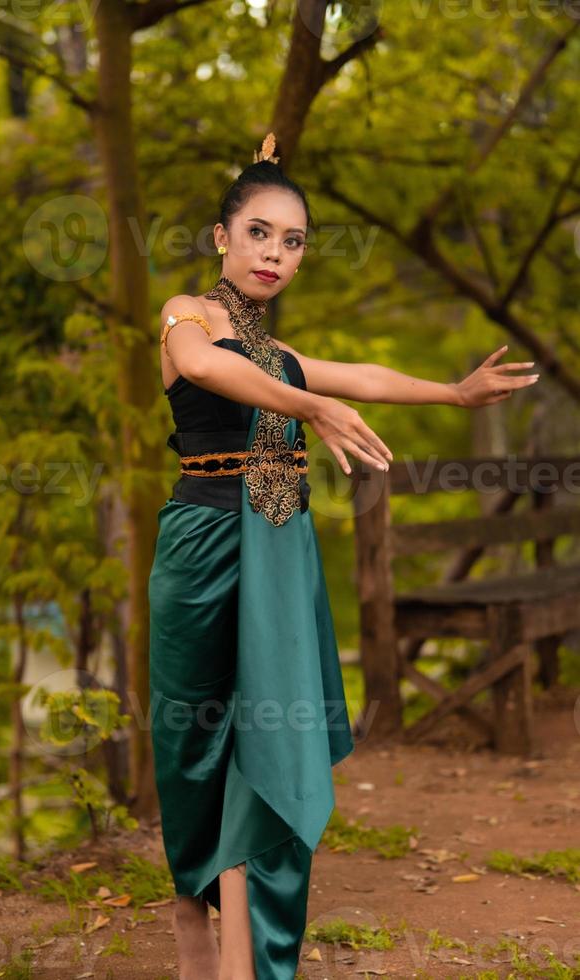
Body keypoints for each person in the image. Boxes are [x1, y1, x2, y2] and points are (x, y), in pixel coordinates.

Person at [148, 133, 540, 980]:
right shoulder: (189, 312)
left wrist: (453, 391)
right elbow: (200, 368)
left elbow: (361, 373)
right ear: (223, 236)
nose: (275, 254)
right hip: (206, 540)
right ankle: (192, 920)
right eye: (259, 232)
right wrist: (309, 402)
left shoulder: (282, 354)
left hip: (279, 551)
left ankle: (244, 960)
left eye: (292, 242)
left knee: (267, 745)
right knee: (194, 742)